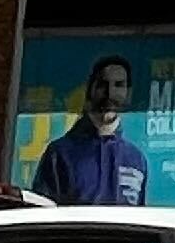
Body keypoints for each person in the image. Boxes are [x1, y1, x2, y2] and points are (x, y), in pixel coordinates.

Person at [32, 55, 153, 207]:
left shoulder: (135, 159)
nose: (110, 93)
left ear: (128, 93)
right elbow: (42, 211)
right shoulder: (60, 154)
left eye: (119, 85)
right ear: (90, 89)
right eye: (103, 85)